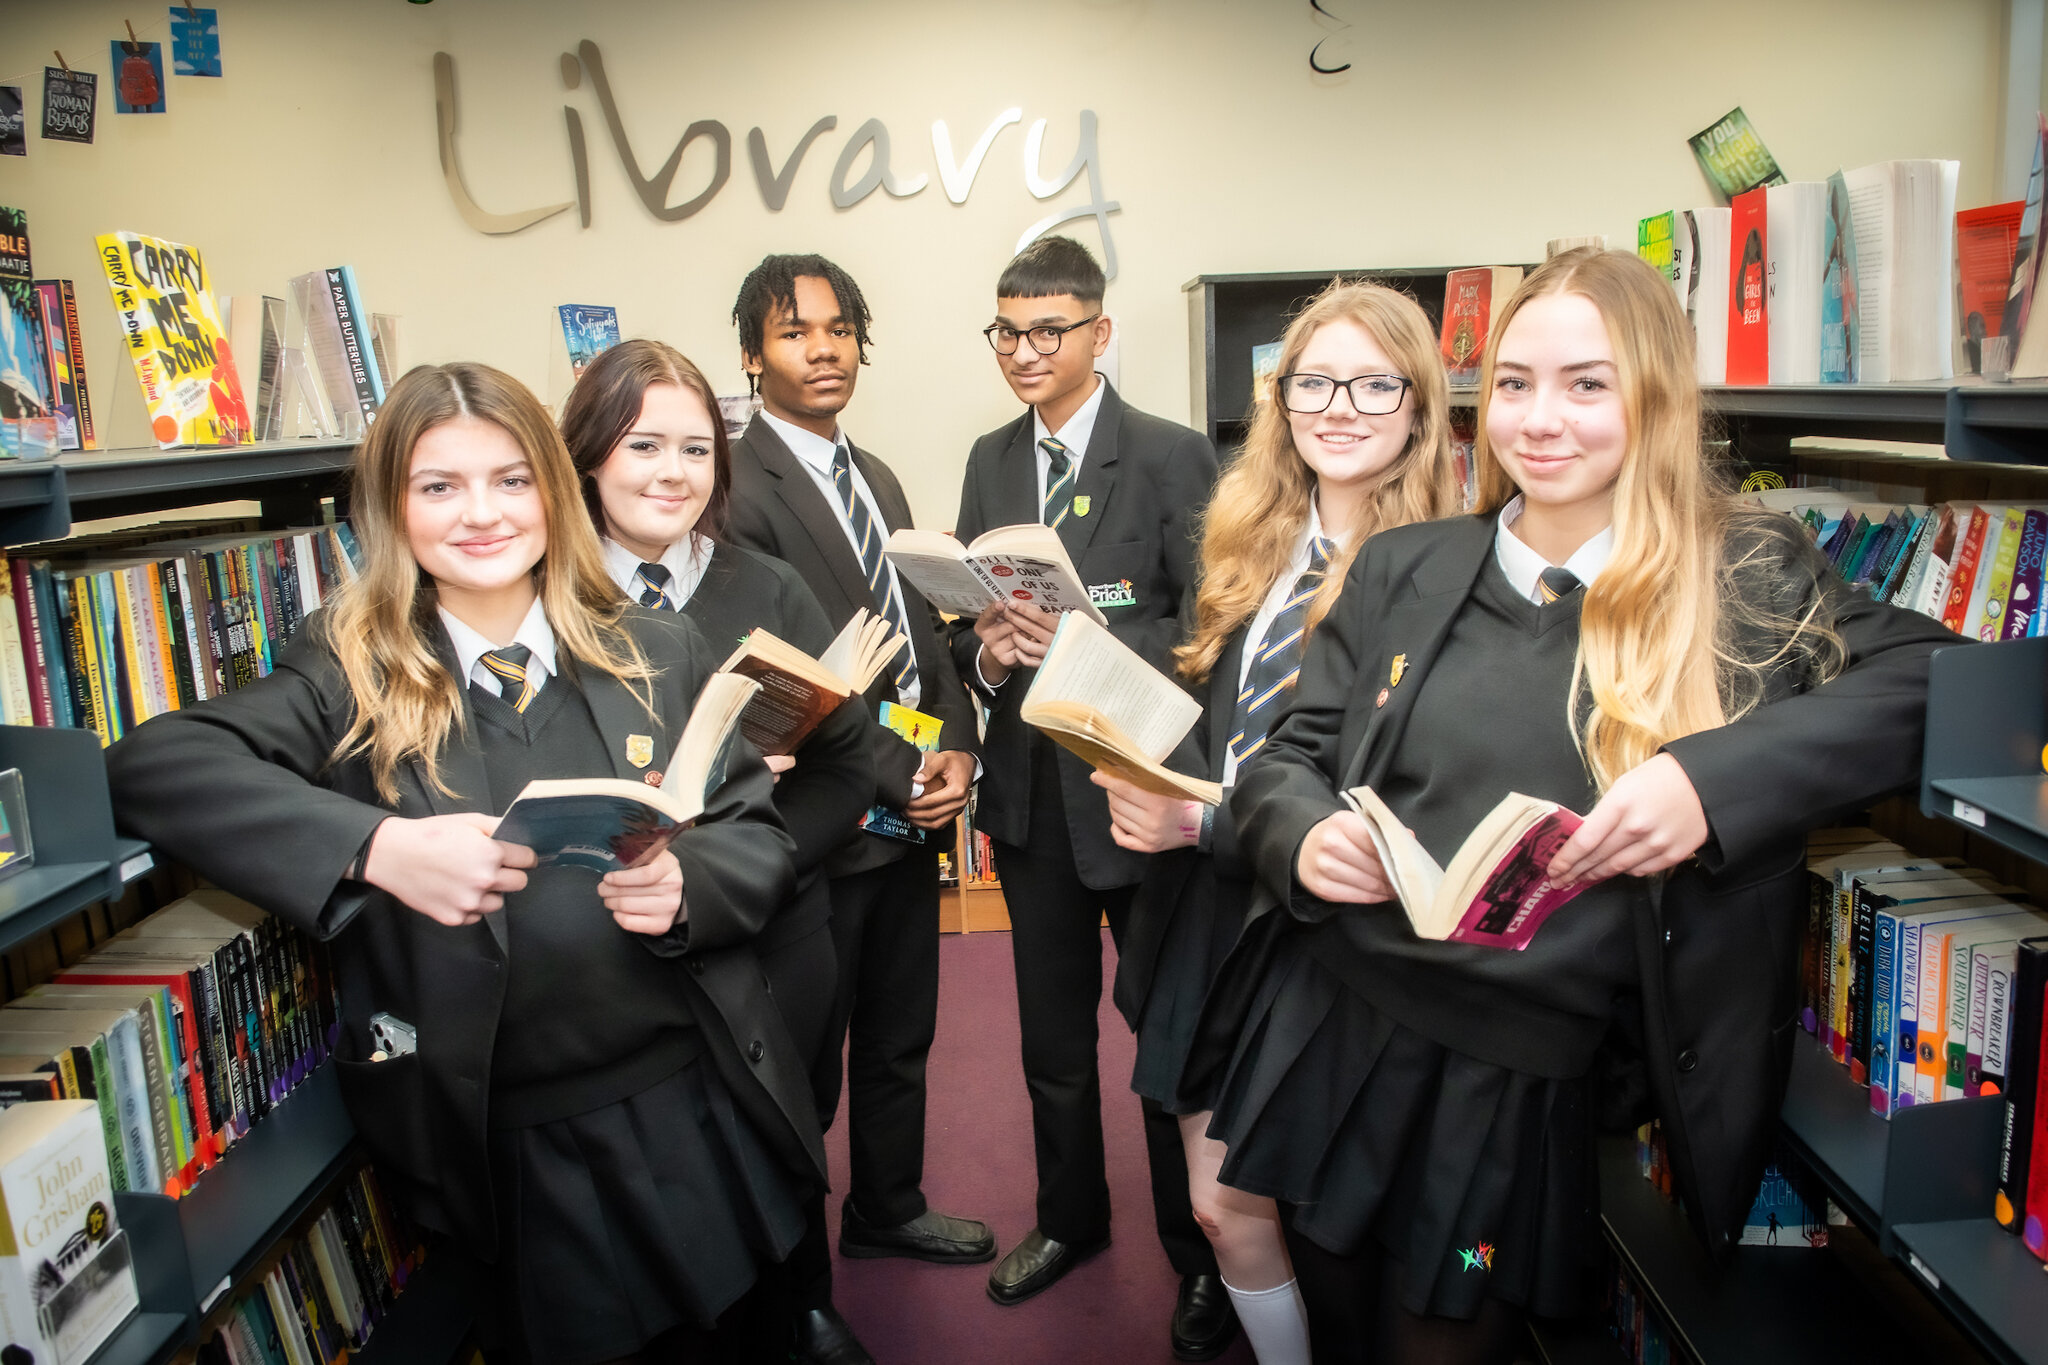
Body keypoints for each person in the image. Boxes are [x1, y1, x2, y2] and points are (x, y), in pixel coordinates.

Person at [1202, 249, 1960, 1365]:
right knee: (1335, 1299)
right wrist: (1304, 829)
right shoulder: (1402, 567)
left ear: (1652, 397)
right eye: (1511, 384)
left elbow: (1937, 681)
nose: (1537, 420)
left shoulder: (1743, 580)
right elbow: (1286, 756)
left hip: (1508, 1084)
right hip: (1332, 1026)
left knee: (1444, 1327)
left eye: (1584, 384)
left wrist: (1707, 781)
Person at [104, 363, 825, 1364]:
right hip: (511, 1146)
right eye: (438, 486)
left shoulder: (658, 648)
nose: (481, 514)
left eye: (511, 480)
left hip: (698, 1098)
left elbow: (757, 834)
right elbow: (153, 768)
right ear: (392, 509)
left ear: (552, 494)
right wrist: (377, 848)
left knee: (754, 1334)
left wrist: (690, 882)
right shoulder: (343, 674)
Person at [1095, 280, 1461, 1363]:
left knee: (1325, 1214)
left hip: (1325, 933)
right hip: (1208, 912)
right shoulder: (1253, 537)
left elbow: (1394, 789)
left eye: (1370, 383)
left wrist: (1197, 825)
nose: (1337, 406)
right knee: (1217, 1207)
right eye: (1312, 381)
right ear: (1279, 398)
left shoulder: (1447, 569)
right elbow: (1233, 725)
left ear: (1415, 407)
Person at [560, 338, 880, 1365]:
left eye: (695, 449)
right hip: (626, 941)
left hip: (778, 925)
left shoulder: (769, 585)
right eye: (642, 443)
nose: (670, 472)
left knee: (791, 1128)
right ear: (588, 457)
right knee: (682, 1152)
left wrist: (753, 850)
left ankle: (806, 1304)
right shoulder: (549, 602)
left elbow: (849, 771)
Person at [950, 235, 1224, 1351]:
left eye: (1046, 330)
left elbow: (1210, 629)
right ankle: (1069, 1219)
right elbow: (967, 615)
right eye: (1006, 330)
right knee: (1049, 1038)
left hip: (1136, 796)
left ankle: (1197, 1252)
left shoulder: (1170, 457)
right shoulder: (984, 459)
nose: (1023, 350)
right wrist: (988, 656)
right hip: (1028, 803)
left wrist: (1092, 636)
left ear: (1098, 334)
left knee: (1164, 1032)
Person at [724, 256, 995, 1298]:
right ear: (753, 355)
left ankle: (887, 1210)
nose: (823, 348)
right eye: (795, 332)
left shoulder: (872, 475)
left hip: (905, 814)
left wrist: (954, 745)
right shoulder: (734, 487)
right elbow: (787, 669)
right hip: (819, 826)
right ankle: (795, 1292)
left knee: (898, 1035)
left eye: (839, 329)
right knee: (804, 1068)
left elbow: (913, 640)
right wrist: (898, 767)